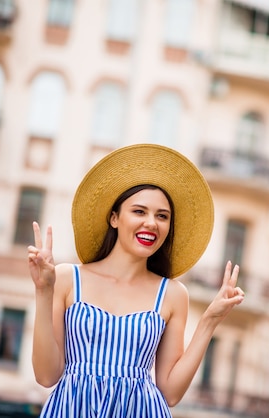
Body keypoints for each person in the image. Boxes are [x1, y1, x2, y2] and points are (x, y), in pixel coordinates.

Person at [27, 144, 245, 417]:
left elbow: (171, 393)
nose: (152, 223)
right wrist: (43, 290)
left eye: (162, 216)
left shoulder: (173, 294)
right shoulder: (66, 279)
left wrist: (210, 321)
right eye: (139, 212)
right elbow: (46, 376)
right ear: (115, 218)